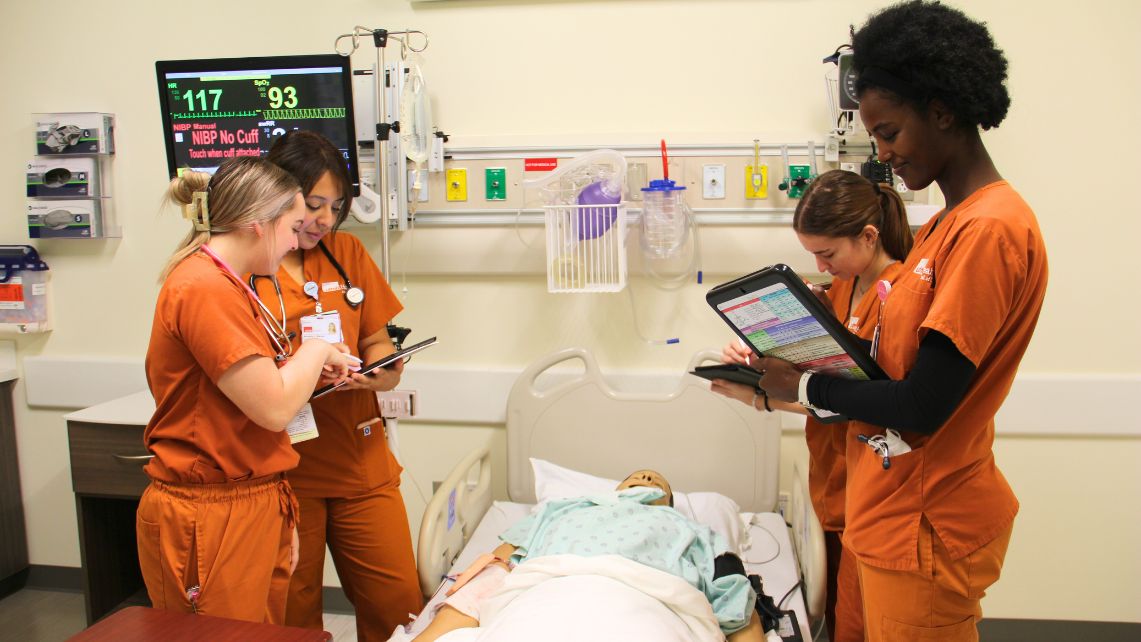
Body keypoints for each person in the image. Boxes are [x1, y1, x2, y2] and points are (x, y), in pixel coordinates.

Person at [753, 2, 1049, 640]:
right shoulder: (945, 226)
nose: (882, 153)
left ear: (941, 112)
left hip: (928, 522)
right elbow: (889, 366)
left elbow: (921, 403)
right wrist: (784, 368)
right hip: (893, 511)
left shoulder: (991, 229)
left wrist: (804, 388)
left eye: (889, 132)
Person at [138, 157, 354, 623]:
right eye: (294, 227)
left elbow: (251, 390)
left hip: (252, 495)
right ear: (259, 223)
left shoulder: (233, 287)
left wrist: (273, 513)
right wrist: (316, 349)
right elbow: (274, 408)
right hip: (212, 509)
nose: (298, 241)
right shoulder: (203, 288)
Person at [712, 169, 911, 642]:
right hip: (839, 481)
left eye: (827, 253)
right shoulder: (840, 290)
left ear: (867, 236)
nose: (821, 267)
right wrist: (759, 365)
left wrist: (767, 398)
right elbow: (819, 384)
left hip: (875, 490)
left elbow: (870, 402)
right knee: (848, 625)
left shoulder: (898, 298)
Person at [253, 130, 422, 639]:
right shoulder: (248, 267)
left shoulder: (345, 252)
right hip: (286, 471)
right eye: (313, 203)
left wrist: (382, 369)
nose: (324, 219)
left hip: (359, 463)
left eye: (335, 205)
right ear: (279, 196)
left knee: (399, 605)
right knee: (292, 614)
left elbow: (375, 338)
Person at [411, 470, 767, 642]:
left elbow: (734, 597)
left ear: (668, 502)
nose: (644, 477)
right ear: (614, 491)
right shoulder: (566, 509)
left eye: (656, 483)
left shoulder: (693, 528)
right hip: (551, 590)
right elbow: (501, 560)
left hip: (649, 601)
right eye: (634, 479)